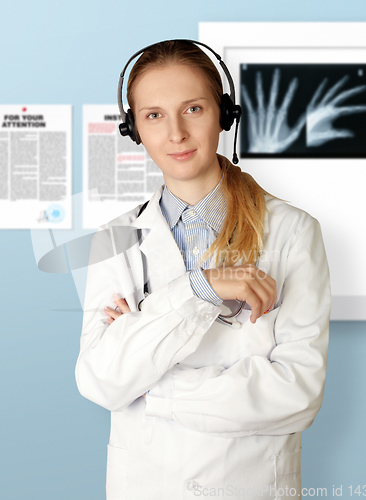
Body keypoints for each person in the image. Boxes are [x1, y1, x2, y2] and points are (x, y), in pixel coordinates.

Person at [75, 40, 331, 499]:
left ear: (223, 115)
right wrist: (201, 287)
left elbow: (297, 393)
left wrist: (156, 388)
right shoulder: (114, 240)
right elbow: (101, 381)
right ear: (133, 129)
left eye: (192, 108)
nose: (175, 133)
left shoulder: (293, 232)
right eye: (154, 115)